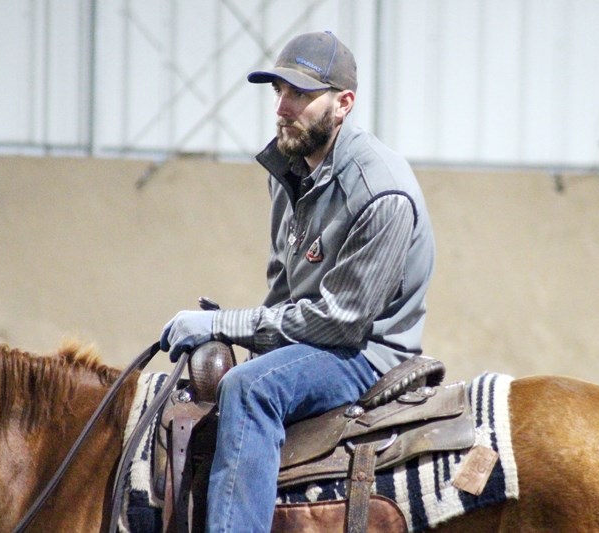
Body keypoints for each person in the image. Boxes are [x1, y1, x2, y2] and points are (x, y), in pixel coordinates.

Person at [160, 30, 435, 532]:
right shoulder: (287, 170)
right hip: (316, 338)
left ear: (343, 104)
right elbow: (283, 287)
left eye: (301, 95)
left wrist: (225, 323)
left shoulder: (381, 190)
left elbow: (340, 323)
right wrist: (239, 334)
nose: (283, 108)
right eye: (278, 92)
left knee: (250, 388)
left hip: (366, 351)